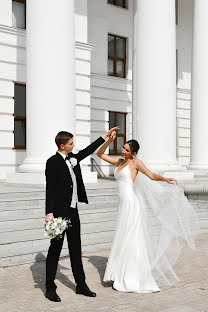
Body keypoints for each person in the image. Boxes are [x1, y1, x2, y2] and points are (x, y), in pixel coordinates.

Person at [96, 131, 197, 293]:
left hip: (131, 204)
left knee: (131, 238)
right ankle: (120, 272)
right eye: (123, 148)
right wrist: (109, 141)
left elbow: (150, 175)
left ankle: (131, 275)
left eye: (126, 150)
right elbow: (99, 154)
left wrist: (165, 179)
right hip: (123, 205)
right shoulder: (120, 162)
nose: (123, 151)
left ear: (133, 153)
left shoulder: (136, 163)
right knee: (123, 238)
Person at [45, 127, 118, 302]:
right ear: (62, 146)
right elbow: (50, 189)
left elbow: (88, 150)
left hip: (73, 211)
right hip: (59, 215)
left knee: (76, 250)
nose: (73, 145)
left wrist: (104, 136)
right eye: (71, 143)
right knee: (55, 251)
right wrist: (49, 213)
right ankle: (49, 288)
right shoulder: (52, 162)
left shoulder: (72, 158)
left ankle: (81, 285)